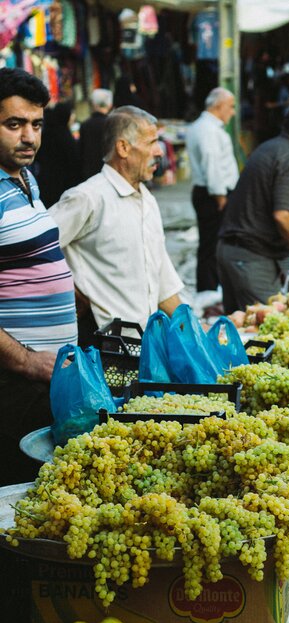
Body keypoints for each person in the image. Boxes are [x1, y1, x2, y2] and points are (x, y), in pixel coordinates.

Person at [0, 68, 77, 486]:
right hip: (11, 385)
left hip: (44, 381)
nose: (28, 136)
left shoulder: (25, 178)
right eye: (14, 124)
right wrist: (27, 361)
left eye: (36, 124)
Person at [50, 106, 184, 344]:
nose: (159, 151)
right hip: (104, 346)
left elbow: (163, 282)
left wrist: (193, 329)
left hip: (145, 345)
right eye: (152, 142)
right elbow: (34, 248)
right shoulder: (88, 197)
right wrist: (71, 288)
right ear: (123, 148)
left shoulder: (147, 200)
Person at [217, 94, 289, 313]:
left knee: (238, 332)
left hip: (235, 252)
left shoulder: (272, 147)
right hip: (250, 258)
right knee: (265, 333)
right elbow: (284, 216)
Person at [185, 87, 239, 292]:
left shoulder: (204, 126)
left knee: (212, 244)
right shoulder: (207, 129)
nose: (232, 112)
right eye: (231, 107)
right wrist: (220, 196)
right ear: (219, 106)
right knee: (211, 245)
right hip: (213, 194)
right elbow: (212, 164)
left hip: (211, 192)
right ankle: (208, 291)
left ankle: (211, 288)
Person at [34, 100, 81, 207]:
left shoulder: (46, 134)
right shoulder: (66, 137)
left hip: (46, 181)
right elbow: (74, 162)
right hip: (64, 184)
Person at [78, 88, 113, 180]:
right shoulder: (113, 124)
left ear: (93, 104)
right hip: (108, 173)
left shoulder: (85, 125)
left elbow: (81, 152)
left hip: (89, 174)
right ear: (109, 105)